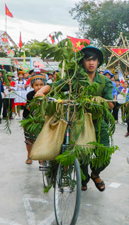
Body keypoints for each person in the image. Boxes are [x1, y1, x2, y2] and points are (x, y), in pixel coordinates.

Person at [35, 46, 114, 192]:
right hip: (79, 121)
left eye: (94, 60)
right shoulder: (74, 78)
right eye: (88, 59)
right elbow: (55, 86)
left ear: (98, 62)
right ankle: (83, 179)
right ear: (82, 62)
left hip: (98, 121)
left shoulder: (104, 81)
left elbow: (110, 104)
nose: (91, 63)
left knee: (105, 154)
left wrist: (100, 100)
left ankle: (95, 174)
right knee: (82, 153)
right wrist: (40, 92)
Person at [23, 75, 46, 164]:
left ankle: (41, 156)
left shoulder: (47, 95)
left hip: (42, 119)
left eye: (41, 84)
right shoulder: (30, 95)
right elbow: (30, 108)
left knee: (41, 138)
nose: (39, 87)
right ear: (32, 86)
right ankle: (29, 155)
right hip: (30, 118)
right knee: (29, 138)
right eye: (36, 85)